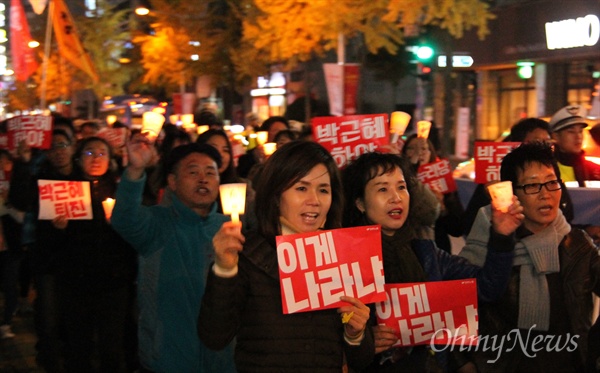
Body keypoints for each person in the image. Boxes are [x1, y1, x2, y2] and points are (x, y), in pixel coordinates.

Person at [198, 140, 375, 372]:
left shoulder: (344, 255)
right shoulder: (245, 252)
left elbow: (362, 361)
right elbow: (214, 337)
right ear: (275, 194)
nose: (314, 200)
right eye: (301, 188)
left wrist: (356, 333)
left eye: (323, 189)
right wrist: (224, 270)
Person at [342, 152, 519, 372]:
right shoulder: (344, 262)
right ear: (360, 203)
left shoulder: (426, 254)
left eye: (401, 187)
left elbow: (488, 287)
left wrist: (501, 237)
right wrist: (362, 338)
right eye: (382, 189)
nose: (396, 197)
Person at [459, 142, 600, 372]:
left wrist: (594, 349)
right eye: (533, 185)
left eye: (552, 183)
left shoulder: (577, 245)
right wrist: (463, 363)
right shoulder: (491, 243)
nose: (545, 194)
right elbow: (457, 306)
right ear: (512, 193)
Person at [111, 137, 236, 373]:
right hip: (168, 359)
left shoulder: (229, 229)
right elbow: (124, 219)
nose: (203, 179)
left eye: (211, 173)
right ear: (173, 182)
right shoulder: (156, 224)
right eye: (193, 172)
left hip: (222, 362)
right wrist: (136, 169)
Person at [50, 137, 136, 373]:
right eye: (89, 153)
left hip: (114, 281)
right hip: (75, 281)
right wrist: (59, 228)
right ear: (78, 158)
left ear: (110, 159)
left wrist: (119, 224)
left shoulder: (121, 191)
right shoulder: (64, 190)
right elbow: (48, 244)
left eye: (102, 153)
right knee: (79, 346)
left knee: (111, 347)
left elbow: (134, 238)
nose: (96, 159)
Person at [402, 134, 465, 253]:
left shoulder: (443, 182)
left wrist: (443, 209)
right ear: (404, 152)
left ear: (431, 152)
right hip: (408, 249)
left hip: (438, 251)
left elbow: (457, 229)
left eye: (423, 148)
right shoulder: (400, 182)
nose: (419, 153)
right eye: (412, 148)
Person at [550, 105, 600, 186]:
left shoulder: (595, 171)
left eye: (580, 131)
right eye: (571, 132)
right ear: (556, 136)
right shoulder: (547, 171)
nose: (578, 137)